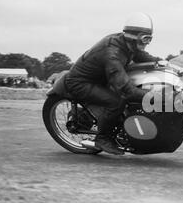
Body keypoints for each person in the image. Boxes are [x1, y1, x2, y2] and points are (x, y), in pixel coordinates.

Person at [65, 12, 163, 155]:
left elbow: (139, 54)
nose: (147, 42)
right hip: (81, 82)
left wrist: (159, 62)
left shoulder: (128, 44)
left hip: (101, 78)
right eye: (145, 38)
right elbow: (127, 91)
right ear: (134, 36)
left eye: (150, 38)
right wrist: (155, 97)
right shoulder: (113, 53)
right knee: (117, 101)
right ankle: (103, 138)